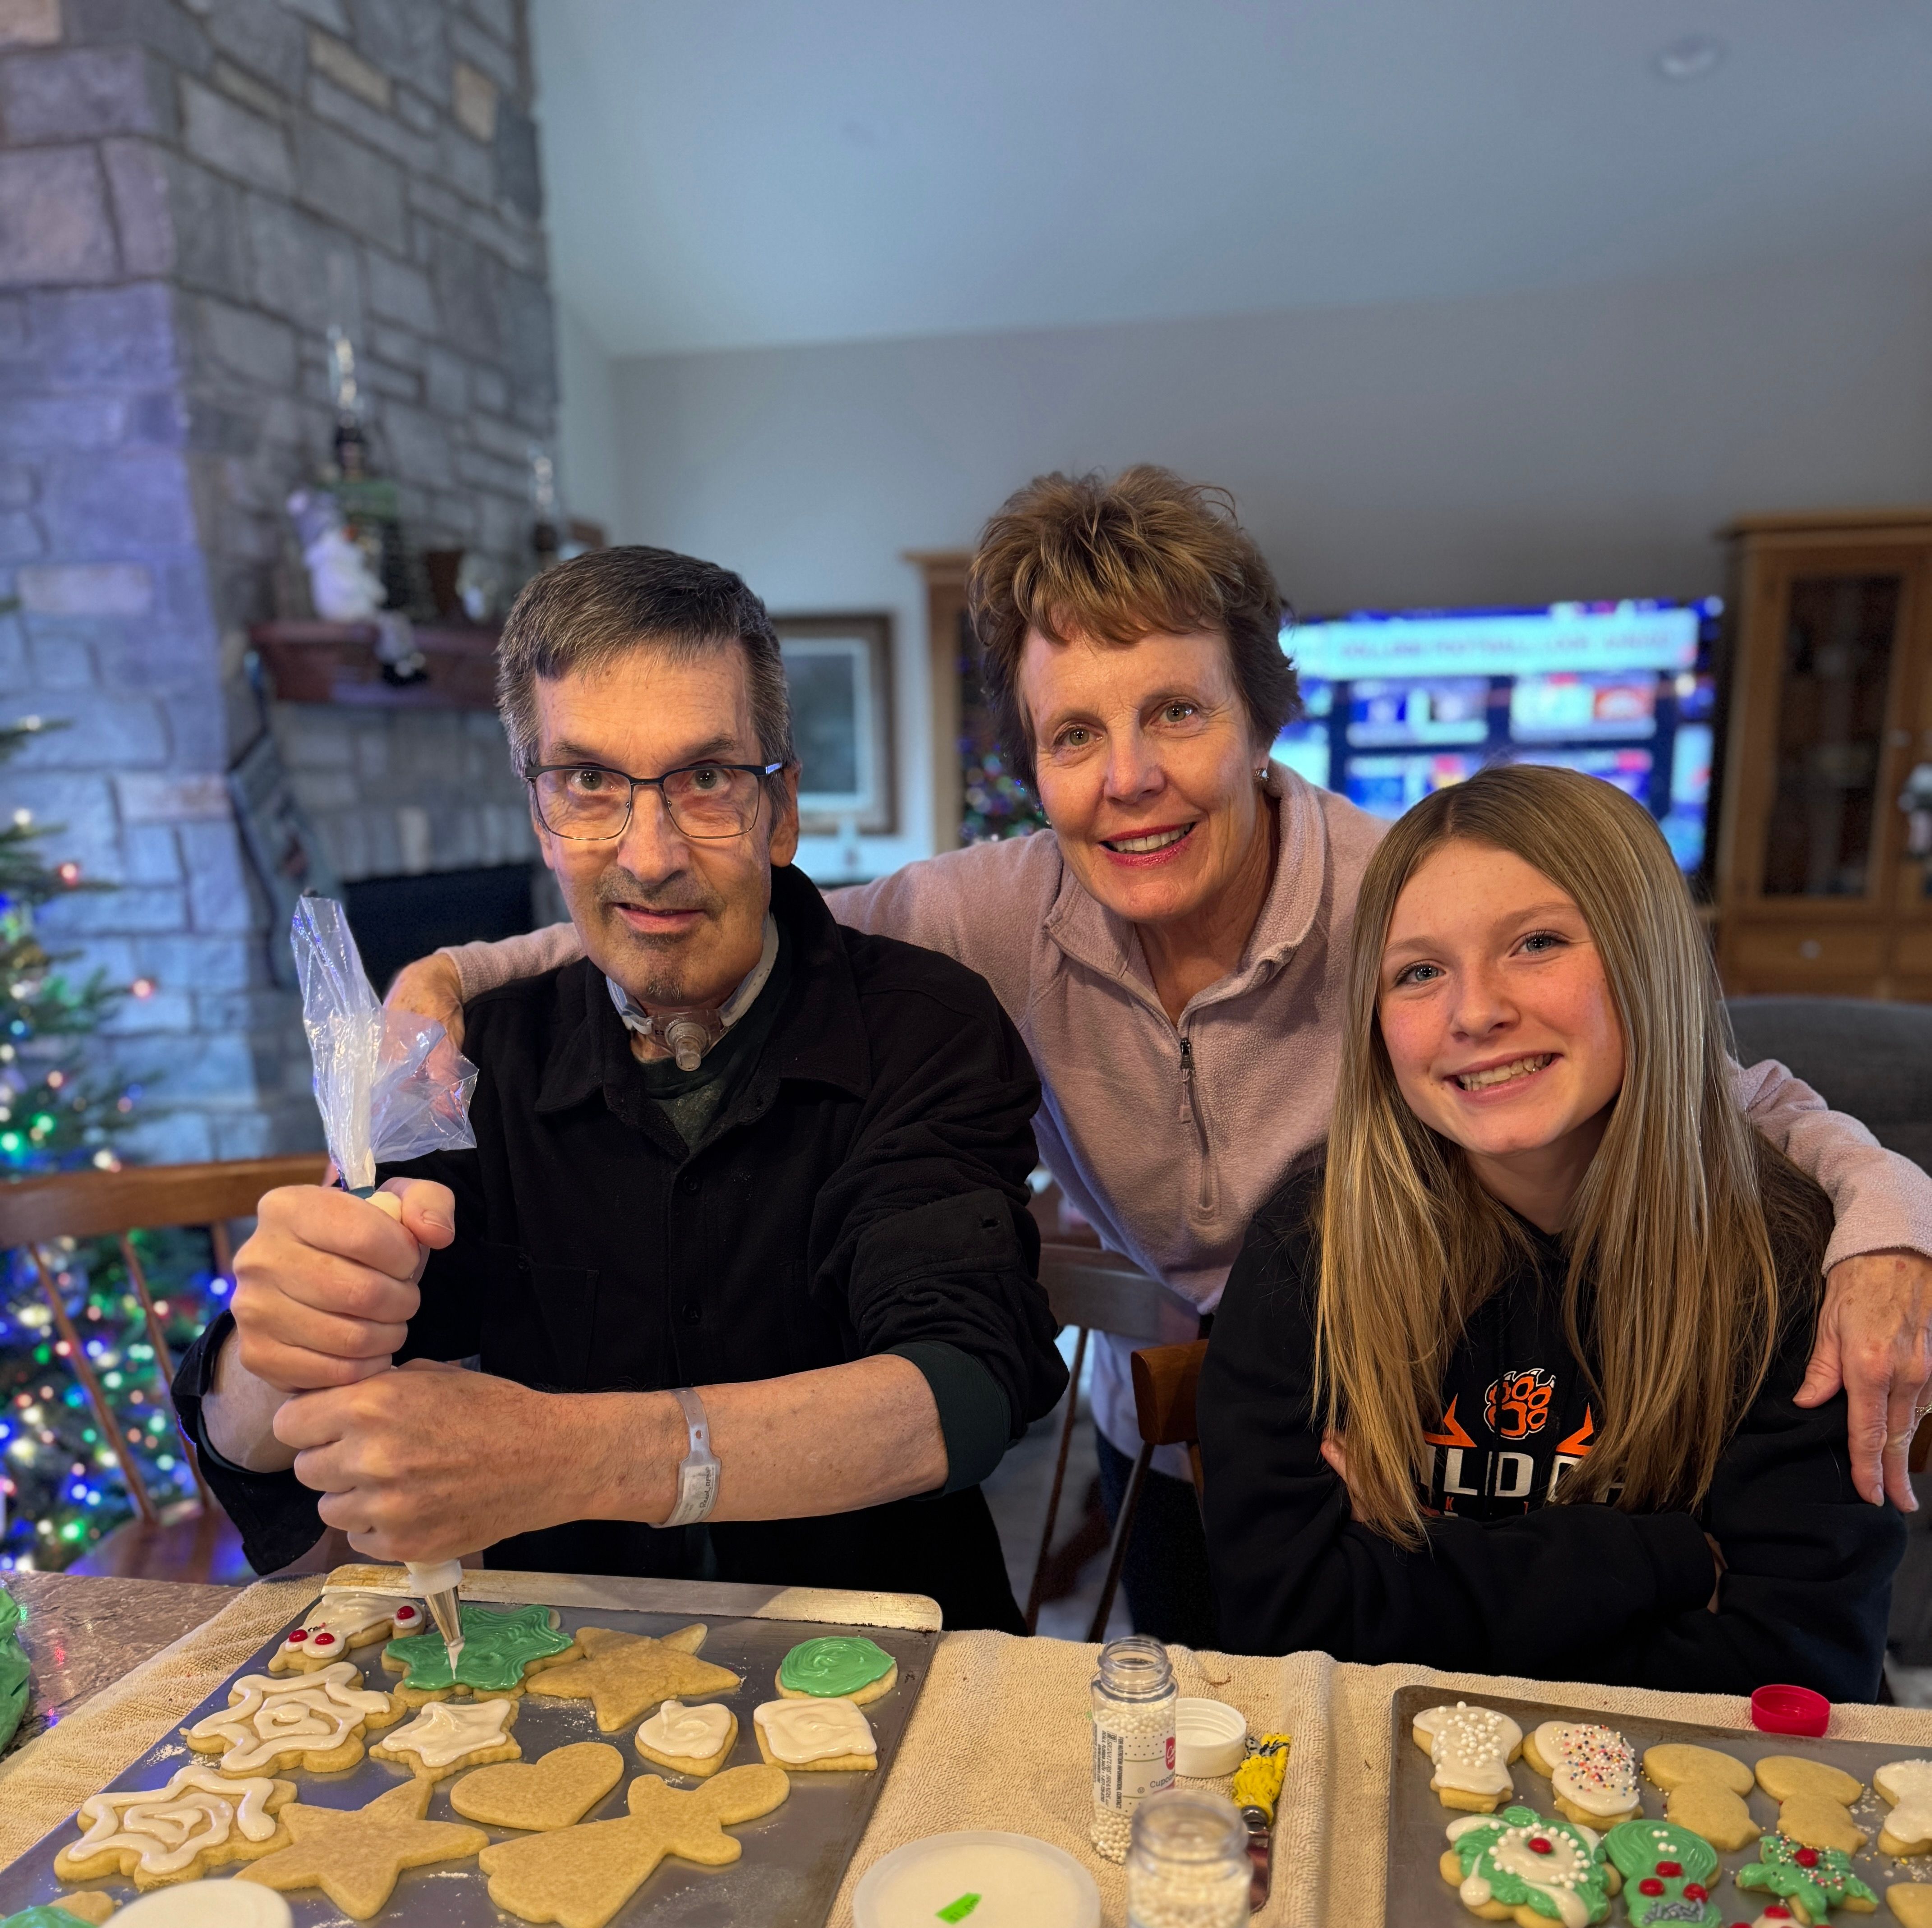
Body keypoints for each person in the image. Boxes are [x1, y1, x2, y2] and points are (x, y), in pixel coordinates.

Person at [390, 469, 1932, 1645]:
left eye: (1176, 713)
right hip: (1182, 1462)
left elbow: (1713, 1089)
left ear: (1262, 716)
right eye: (1073, 736)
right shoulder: (979, 913)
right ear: (1031, 763)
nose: (1127, 780)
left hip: (1430, 1450)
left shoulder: (1413, 905)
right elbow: (711, 905)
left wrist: (1887, 1218)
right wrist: (457, 973)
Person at [173, 547, 1067, 1629]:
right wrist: (272, 1350)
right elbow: (258, 1443)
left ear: (781, 811)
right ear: (542, 818)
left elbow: (964, 1386)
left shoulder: (925, 1025)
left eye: (707, 778)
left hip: (895, 1662)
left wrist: (568, 1458)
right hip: (560, 1677)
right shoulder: (471, 1063)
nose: (647, 857)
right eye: (589, 782)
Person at [1198, 765, 1904, 1695]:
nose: (1476, 1012)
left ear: (1649, 959)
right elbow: (1281, 1623)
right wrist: (1661, 1559)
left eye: (1537, 943)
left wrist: (1418, 1571)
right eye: (1419, 972)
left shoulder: (1789, 1266)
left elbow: (1793, 1670)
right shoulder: (1312, 1245)